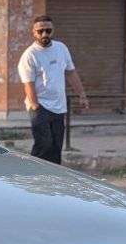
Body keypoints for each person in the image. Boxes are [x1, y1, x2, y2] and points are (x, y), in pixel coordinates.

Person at [17, 15, 89, 164]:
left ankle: (54, 181)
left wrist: (82, 95)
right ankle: (32, 175)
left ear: (52, 31)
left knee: (56, 147)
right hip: (40, 106)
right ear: (34, 32)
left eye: (48, 30)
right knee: (44, 144)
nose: (44, 34)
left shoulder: (61, 48)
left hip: (59, 106)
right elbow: (28, 84)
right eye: (40, 31)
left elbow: (70, 73)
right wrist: (35, 106)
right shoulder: (30, 55)